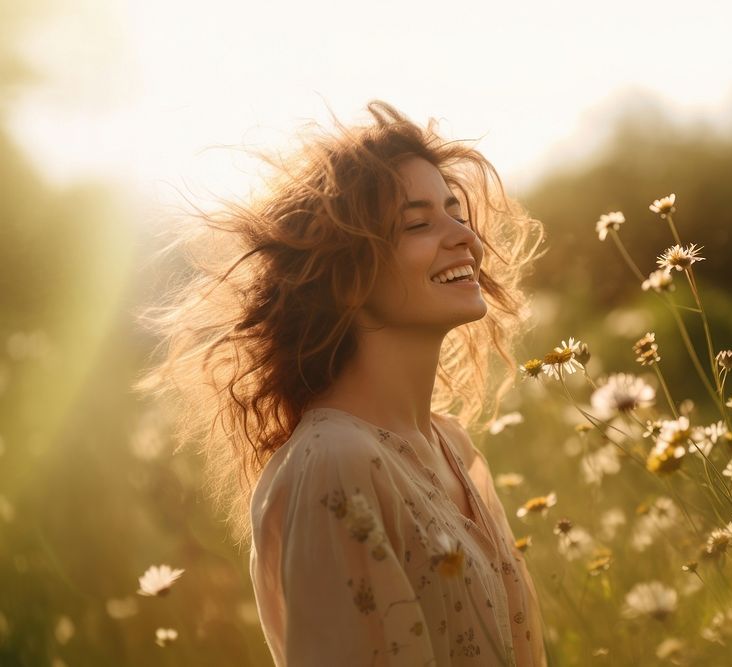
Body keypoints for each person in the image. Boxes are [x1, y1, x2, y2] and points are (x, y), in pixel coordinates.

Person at [134, 101, 546, 665]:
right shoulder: (335, 461)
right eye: (418, 223)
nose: (464, 238)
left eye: (456, 212)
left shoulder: (454, 447)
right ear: (347, 274)